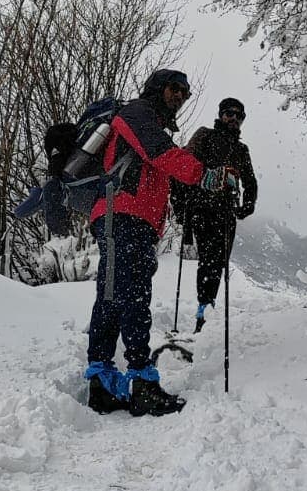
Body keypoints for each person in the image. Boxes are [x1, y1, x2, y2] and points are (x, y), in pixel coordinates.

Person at [84, 68, 234, 417]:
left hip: (133, 220)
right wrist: (207, 175)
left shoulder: (153, 123)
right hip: (120, 214)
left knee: (113, 295)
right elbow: (162, 155)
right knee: (131, 295)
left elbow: (161, 171)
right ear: (156, 87)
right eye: (173, 88)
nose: (179, 96)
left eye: (185, 92)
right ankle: (140, 382)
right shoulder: (137, 115)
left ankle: (102, 381)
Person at [180, 97, 258, 332]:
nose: (234, 119)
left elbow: (250, 180)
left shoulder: (241, 149)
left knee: (217, 263)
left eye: (239, 116)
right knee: (209, 262)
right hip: (202, 208)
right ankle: (204, 311)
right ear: (221, 114)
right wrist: (183, 201)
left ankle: (206, 308)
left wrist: (248, 204)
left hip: (226, 212)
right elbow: (184, 164)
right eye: (229, 114)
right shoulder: (205, 135)